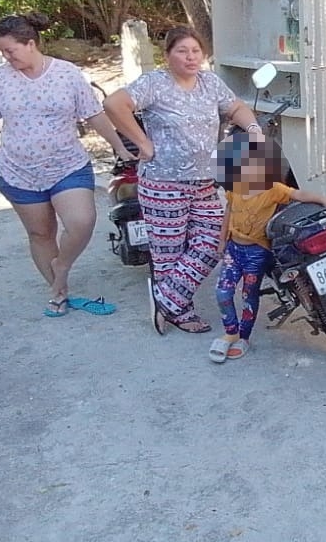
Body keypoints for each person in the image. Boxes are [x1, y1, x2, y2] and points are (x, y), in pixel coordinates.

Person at [0, 12, 133, 318]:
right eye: (2, 51)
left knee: (81, 222)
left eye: (10, 50)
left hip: (66, 166)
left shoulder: (67, 74)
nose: (6, 57)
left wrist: (120, 146)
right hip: (17, 171)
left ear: (30, 43)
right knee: (41, 234)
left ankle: (61, 265)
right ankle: (58, 290)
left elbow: (94, 114)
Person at [102, 26, 267, 334]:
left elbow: (236, 107)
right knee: (170, 253)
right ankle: (182, 310)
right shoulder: (155, 83)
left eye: (195, 51)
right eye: (182, 51)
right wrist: (143, 143)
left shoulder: (210, 83)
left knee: (215, 242)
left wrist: (254, 130)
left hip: (204, 183)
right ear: (167, 56)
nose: (190, 57)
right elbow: (113, 105)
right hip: (164, 184)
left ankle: (164, 301)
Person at [208, 136, 326, 363]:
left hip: (257, 253)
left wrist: (324, 199)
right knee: (223, 292)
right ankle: (231, 332)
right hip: (233, 250)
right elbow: (228, 211)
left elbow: (298, 194)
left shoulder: (272, 188)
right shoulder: (233, 187)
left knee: (249, 295)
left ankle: (243, 338)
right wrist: (221, 241)